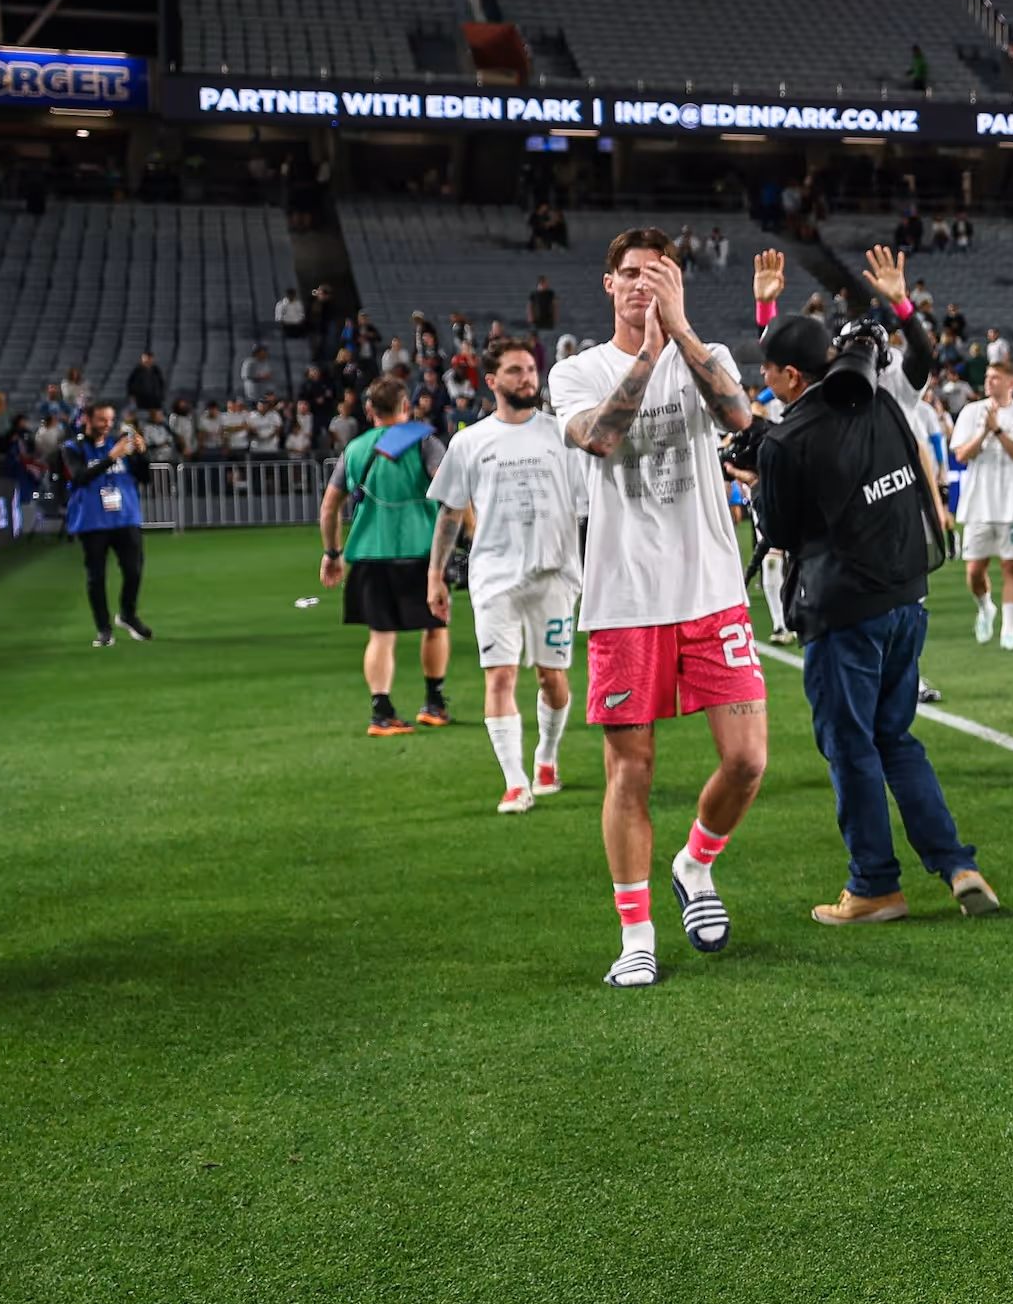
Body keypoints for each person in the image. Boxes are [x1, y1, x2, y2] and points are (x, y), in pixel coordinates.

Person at [552, 229, 769, 990]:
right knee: (631, 772)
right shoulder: (576, 370)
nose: (643, 284)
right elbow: (599, 438)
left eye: (659, 274)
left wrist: (679, 334)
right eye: (631, 274)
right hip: (625, 598)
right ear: (608, 284)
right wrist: (648, 351)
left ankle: (694, 863)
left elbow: (739, 418)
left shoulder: (708, 353)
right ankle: (636, 936)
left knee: (747, 760)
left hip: (711, 589)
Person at [748, 313, 998, 922]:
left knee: (850, 746)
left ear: (790, 375)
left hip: (842, 611)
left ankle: (874, 885)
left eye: (768, 370)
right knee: (896, 738)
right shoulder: (880, 403)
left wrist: (758, 476)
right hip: (906, 599)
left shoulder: (786, 439)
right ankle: (957, 865)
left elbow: (778, 531)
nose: (763, 380)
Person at [423, 338, 587, 814]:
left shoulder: (563, 436)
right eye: (515, 370)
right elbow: (451, 513)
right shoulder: (469, 442)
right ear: (492, 381)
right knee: (499, 676)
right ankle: (515, 783)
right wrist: (436, 575)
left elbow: (588, 507)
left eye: (531, 369)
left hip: (554, 575)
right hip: (494, 576)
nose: (527, 378)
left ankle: (547, 757)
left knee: (551, 677)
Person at [320, 373, 454, 736]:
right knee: (435, 626)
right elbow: (449, 491)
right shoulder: (425, 442)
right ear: (406, 406)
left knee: (380, 635)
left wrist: (332, 552)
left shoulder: (355, 449)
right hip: (422, 550)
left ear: (369, 410)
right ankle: (434, 704)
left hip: (369, 552)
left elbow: (329, 508)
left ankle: (381, 711)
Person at [950, 360, 1013, 649]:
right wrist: (985, 432)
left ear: (1012, 382)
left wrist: (998, 430)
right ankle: (986, 606)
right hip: (978, 501)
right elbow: (962, 455)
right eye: (988, 377)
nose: (989, 381)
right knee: (975, 569)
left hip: (1012, 502)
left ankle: (1009, 632)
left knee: (1011, 566)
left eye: (996, 377)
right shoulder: (971, 412)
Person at [62, 403, 149, 645]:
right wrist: (111, 458)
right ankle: (103, 628)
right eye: (102, 419)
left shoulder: (119, 444)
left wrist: (142, 454)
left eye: (110, 419)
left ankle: (128, 614)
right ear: (87, 420)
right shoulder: (73, 447)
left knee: (134, 570)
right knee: (96, 576)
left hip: (125, 516)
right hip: (92, 520)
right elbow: (80, 477)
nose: (107, 424)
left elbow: (145, 477)